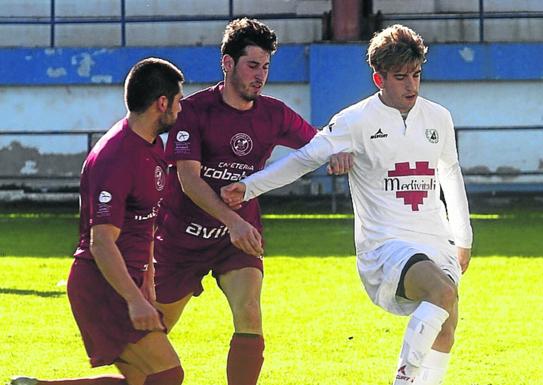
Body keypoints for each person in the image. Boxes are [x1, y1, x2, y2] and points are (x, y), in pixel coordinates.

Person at [221, 24, 473, 385]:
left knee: (447, 322)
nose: (411, 86)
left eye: (416, 75)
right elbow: (304, 158)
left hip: (434, 238)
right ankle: (403, 380)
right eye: (400, 77)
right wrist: (248, 187)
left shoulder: (439, 118)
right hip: (386, 246)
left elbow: (450, 173)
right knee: (442, 293)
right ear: (378, 78)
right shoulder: (355, 120)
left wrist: (463, 238)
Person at [152, 17, 350, 385]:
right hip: (182, 238)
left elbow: (318, 144)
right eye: (252, 66)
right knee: (152, 339)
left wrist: (336, 152)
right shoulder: (193, 112)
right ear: (228, 63)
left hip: (236, 240)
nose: (260, 76)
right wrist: (233, 220)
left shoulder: (273, 113)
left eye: (266, 67)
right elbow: (189, 180)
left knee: (249, 313)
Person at [10, 58, 185, 385]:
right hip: (102, 284)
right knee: (167, 375)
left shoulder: (154, 146)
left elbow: (145, 223)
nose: (180, 108)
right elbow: (101, 242)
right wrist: (133, 299)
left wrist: (146, 283)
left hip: (127, 281)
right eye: (178, 101)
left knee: (143, 380)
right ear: (162, 103)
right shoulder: (115, 157)